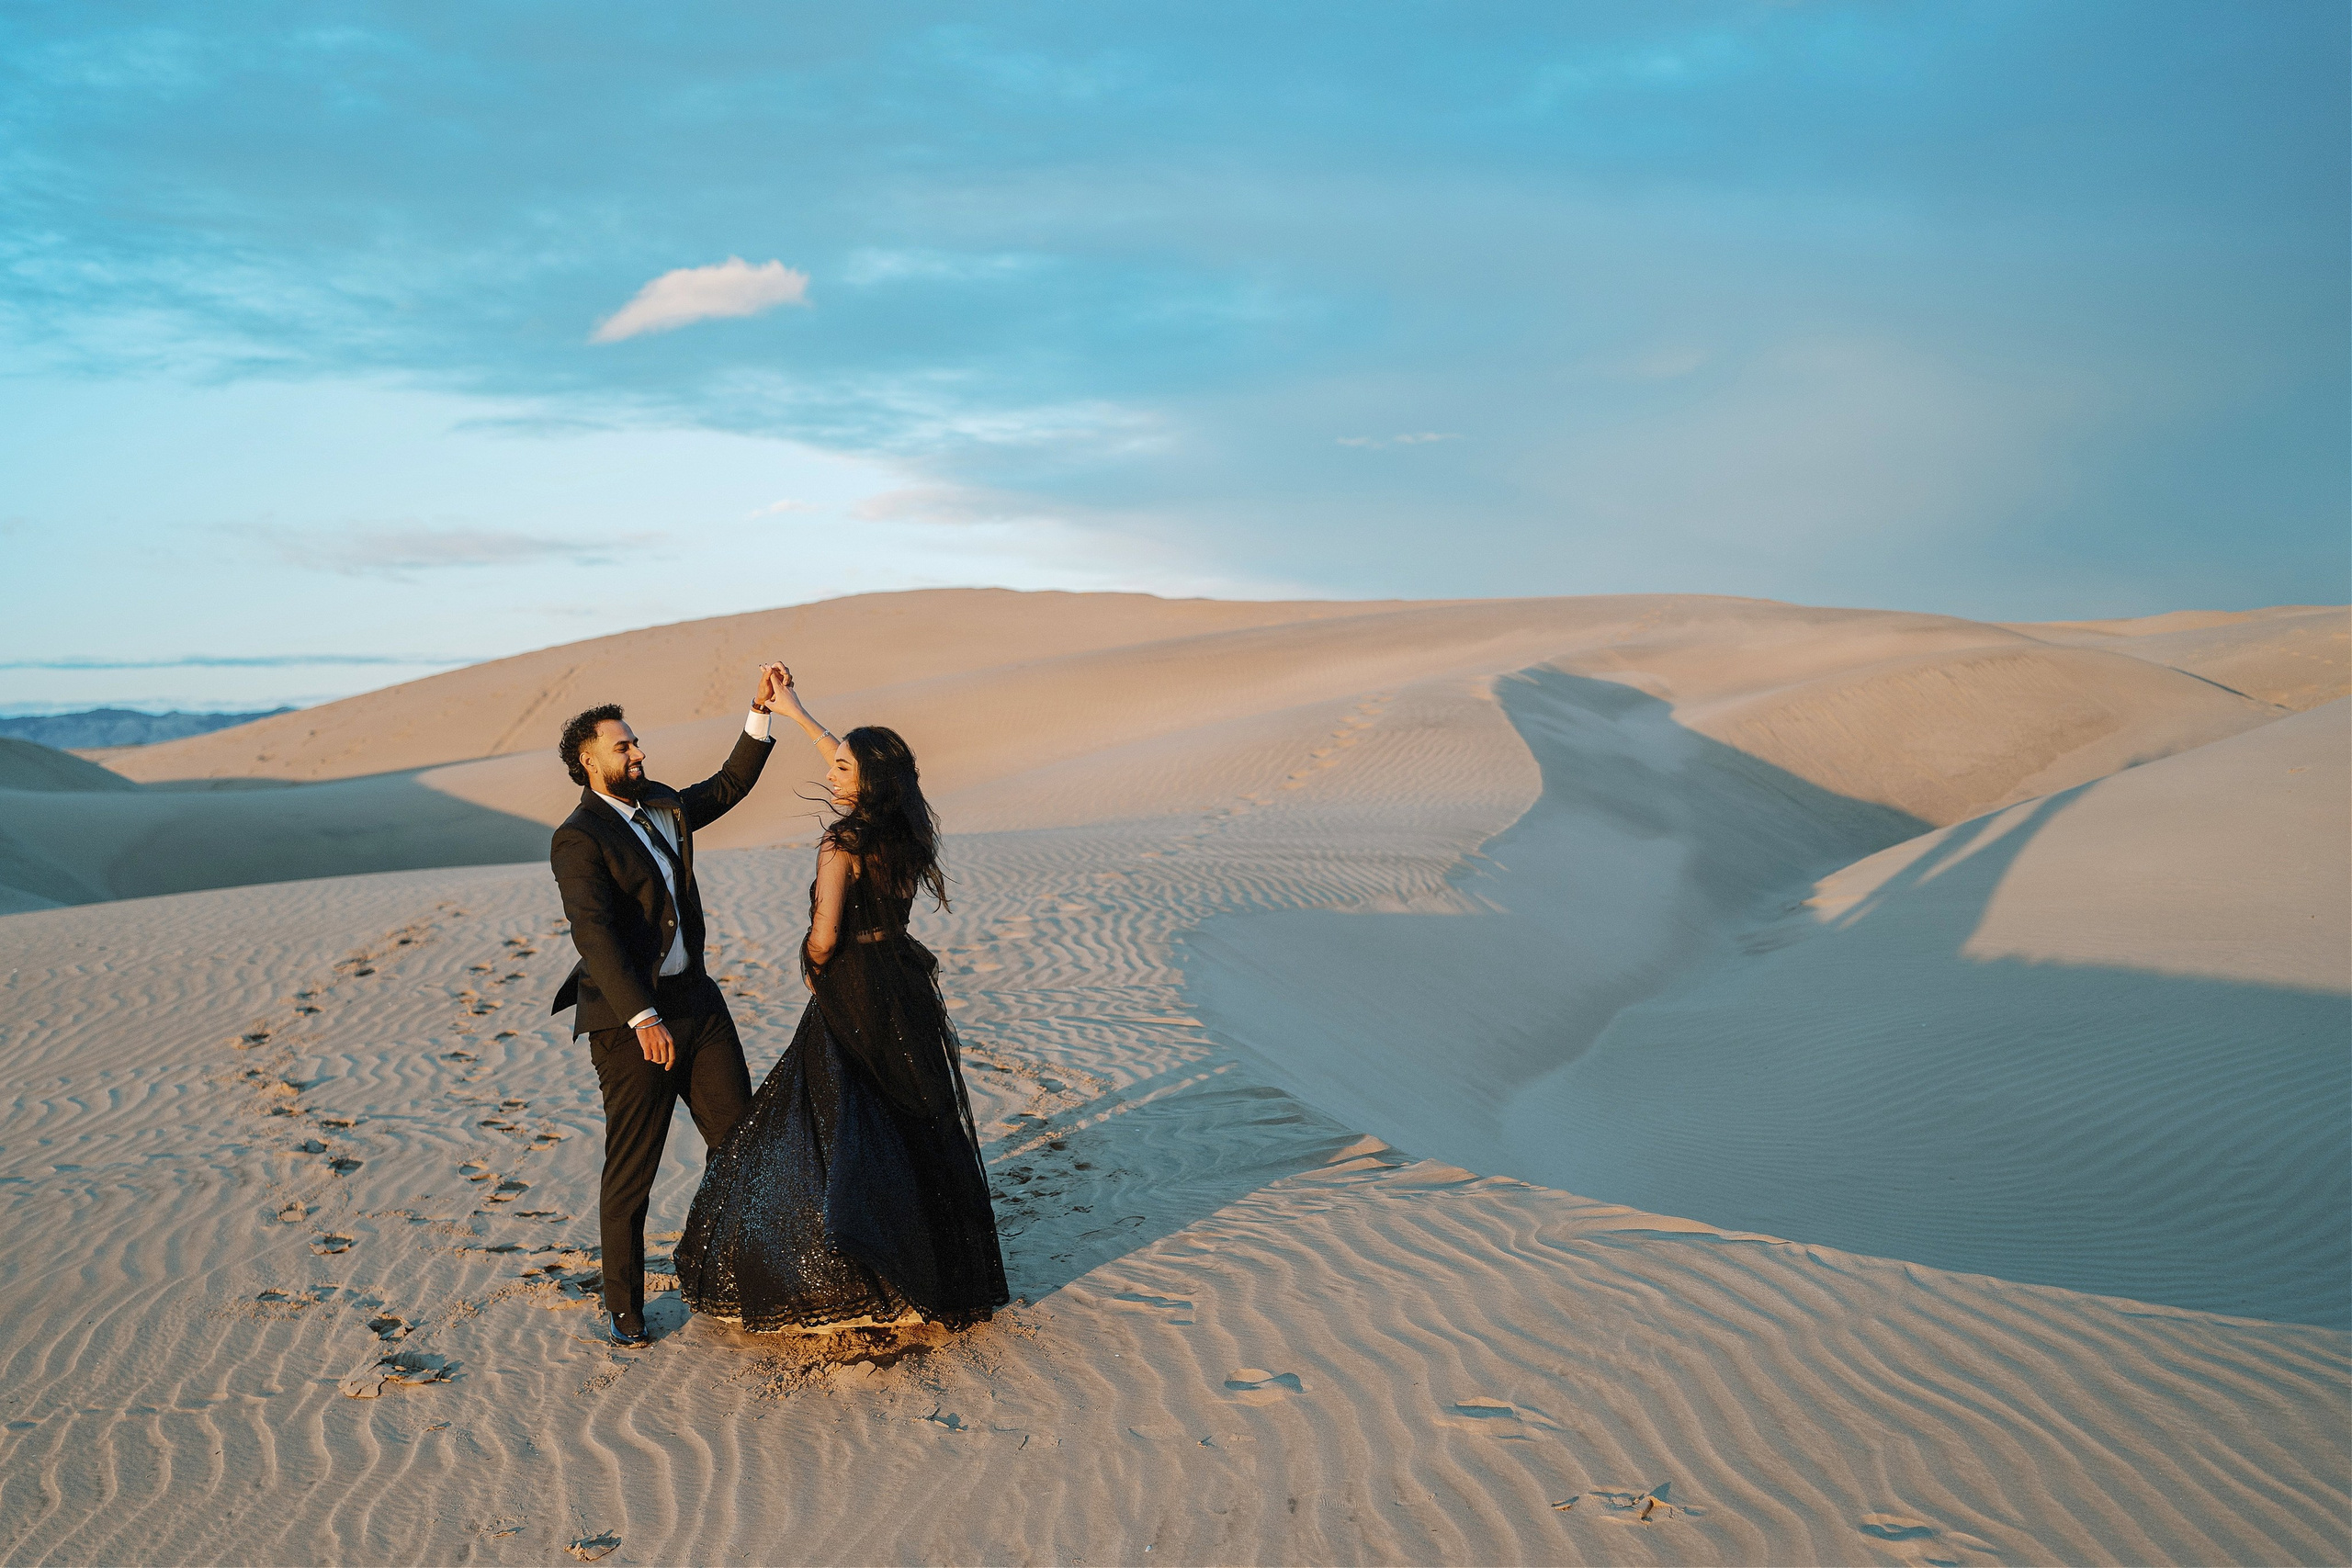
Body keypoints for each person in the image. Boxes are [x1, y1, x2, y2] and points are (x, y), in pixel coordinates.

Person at [677, 667, 1008, 1332]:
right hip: (903, 981)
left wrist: (812, 963)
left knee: (840, 1129)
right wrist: (794, 710)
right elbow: (847, 751)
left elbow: (825, 934)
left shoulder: (843, 840)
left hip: (852, 985)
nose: (832, 772)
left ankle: (855, 1272)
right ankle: (932, 1272)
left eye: (844, 768)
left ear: (867, 781)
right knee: (913, 1122)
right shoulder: (906, 829)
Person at [548, 663, 788, 1347]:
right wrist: (642, 1015)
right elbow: (593, 934)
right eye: (623, 746)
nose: (638, 752)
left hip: (698, 1003)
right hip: (633, 1023)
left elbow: (729, 785)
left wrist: (758, 714)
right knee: (634, 1166)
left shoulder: (662, 803)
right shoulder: (578, 837)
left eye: (636, 741)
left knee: (740, 1142)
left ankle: (729, 1266)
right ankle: (623, 1305)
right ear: (587, 761)